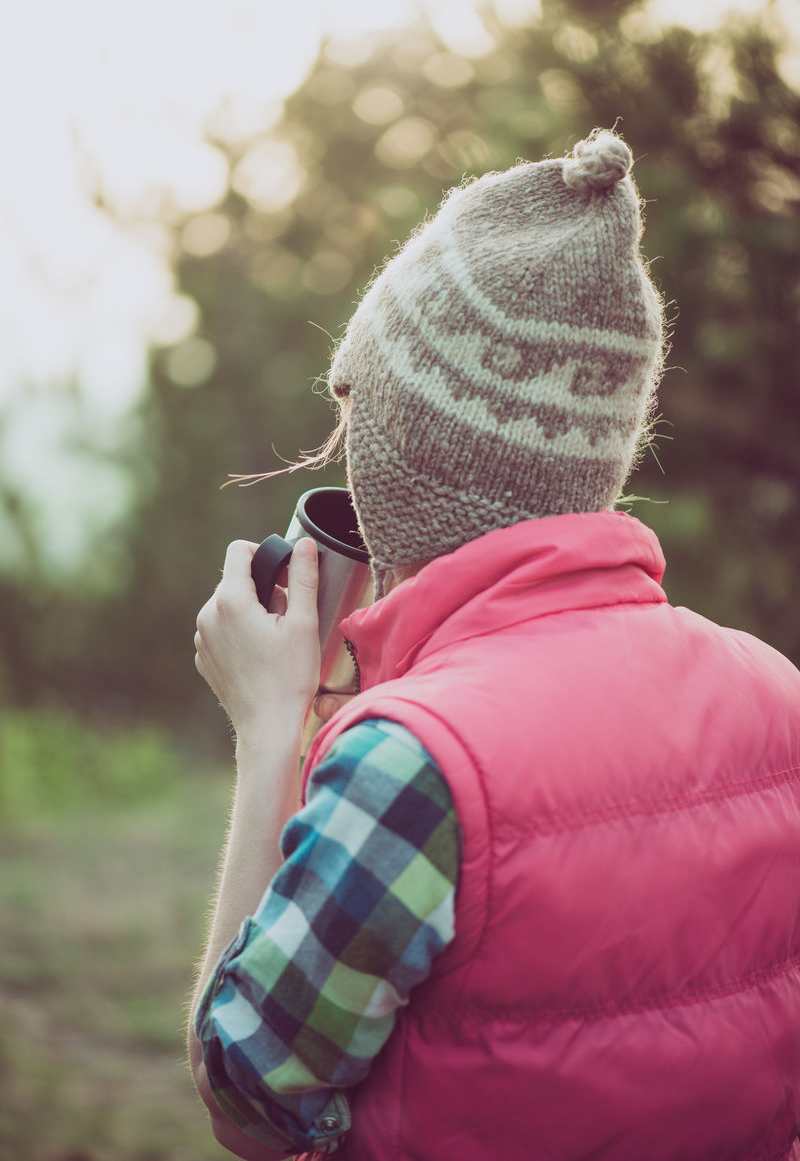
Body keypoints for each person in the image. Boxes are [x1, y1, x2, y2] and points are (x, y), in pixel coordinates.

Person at [189, 128, 800, 1161]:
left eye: (354, 413)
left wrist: (268, 732)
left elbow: (248, 1102)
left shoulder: (409, 766)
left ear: (398, 451)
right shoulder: (775, 690)